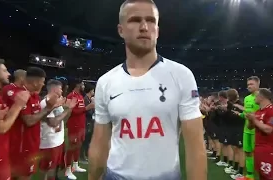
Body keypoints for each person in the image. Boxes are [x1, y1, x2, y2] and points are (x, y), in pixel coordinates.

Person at [88, 0, 207, 179]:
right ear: (121, 30)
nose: (144, 27)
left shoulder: (181, 75)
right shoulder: (106, 82)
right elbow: (99, 143)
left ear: (157, 31)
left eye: (151, 21)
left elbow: (195, 147)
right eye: (135, 20)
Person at [10, 67, 59, 180]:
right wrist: (48, 108)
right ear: (36, 82)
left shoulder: (35, 95)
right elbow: (29, 121)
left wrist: (50, 108)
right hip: (22, 147)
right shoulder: (21, 95)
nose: (43, 84)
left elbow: (38, 117)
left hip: (32, 144)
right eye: (42, 82)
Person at [39, 79, 77, 180]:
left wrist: (70, 108)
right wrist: (67, 109)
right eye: (60, 88)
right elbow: (53, 123)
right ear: (55, 89)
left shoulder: (57, 102)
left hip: (58, 141)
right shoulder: (45, 103)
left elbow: (63, 120)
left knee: (54, 168)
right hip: (49, 143)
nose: (62, 91)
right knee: (46, 171)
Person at [246, 88, 273, 180]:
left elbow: (269, 129)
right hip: (258, 148)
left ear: (261, 97)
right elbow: (250, 127)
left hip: (269, 150)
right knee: (261, 176)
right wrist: (250, 120)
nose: (254, 99)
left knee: (269, 177)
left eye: (256, 96)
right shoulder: (258, 112)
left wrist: (254, 119)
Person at [235, 76, 260, 180]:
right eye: (248, 84)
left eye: (251, 84)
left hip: (257, 130)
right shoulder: (246, 98)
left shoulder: (261, 98)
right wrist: (239, 114)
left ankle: (261, 174)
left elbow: (262, 114)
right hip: (247, 130)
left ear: (258, 84)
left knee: (257, 154)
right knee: (247, 152)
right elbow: (246, 113)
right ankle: (250, 175)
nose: (249, 86)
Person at [65, 80, 87, 180]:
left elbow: (80, 111)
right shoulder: (71, 96)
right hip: (74, 125)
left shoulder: (80, 96)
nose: (83, 86)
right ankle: (68, 170)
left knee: (78, 145)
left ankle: (75, 165)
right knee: (72, 147)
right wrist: (86, 108)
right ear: (78, 84)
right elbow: (71, 111)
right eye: (82, 84)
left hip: (81, 125)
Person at [224, 89, 245, 179]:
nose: (227, 98)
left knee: (240, 150)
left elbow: (244, 116)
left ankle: (240, 171)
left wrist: (236, 114)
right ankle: (236, 168)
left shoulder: (240, 104)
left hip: (239, 129)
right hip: (233, 129)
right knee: (235, 149)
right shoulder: (230, 105)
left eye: (228, 96)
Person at [80, 83, 95, 163]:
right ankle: (82, 156)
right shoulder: (85, 99)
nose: (94, 92)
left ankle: (86, 154)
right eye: (93, 90)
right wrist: (92, 108)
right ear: (90, 91)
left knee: (88, 139)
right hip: (86, 121)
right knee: (85, 139)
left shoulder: (89, 98)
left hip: (90, 121)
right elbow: (86, 111)